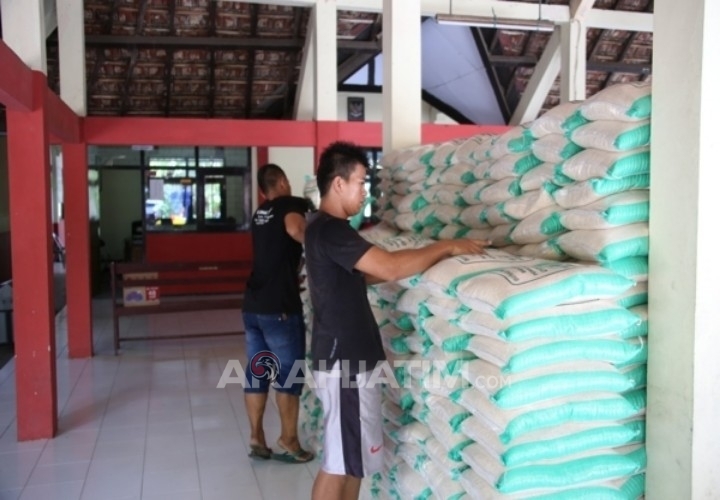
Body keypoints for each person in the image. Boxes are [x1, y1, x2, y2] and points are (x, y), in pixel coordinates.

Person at [304, 142, 490, 500]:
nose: (365, 191)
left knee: (353, 461)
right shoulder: (332, 231)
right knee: (338, 463)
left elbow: (364, 275)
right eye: (360, 182)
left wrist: (422, 258)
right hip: (346, 363)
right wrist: (446, 247)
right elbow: (388, 268)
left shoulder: (325, 228)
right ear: (338, 183)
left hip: (349, 358)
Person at [242, 163, 314, 464]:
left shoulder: (260, 213)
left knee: (258, 373)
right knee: (288, 375)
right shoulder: (291, 204)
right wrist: (324, 245)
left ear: (262, 192)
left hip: (253, 306)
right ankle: (289, 441)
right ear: (283, 182)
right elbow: (296, 229)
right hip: (280, 308)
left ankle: (256, 437)